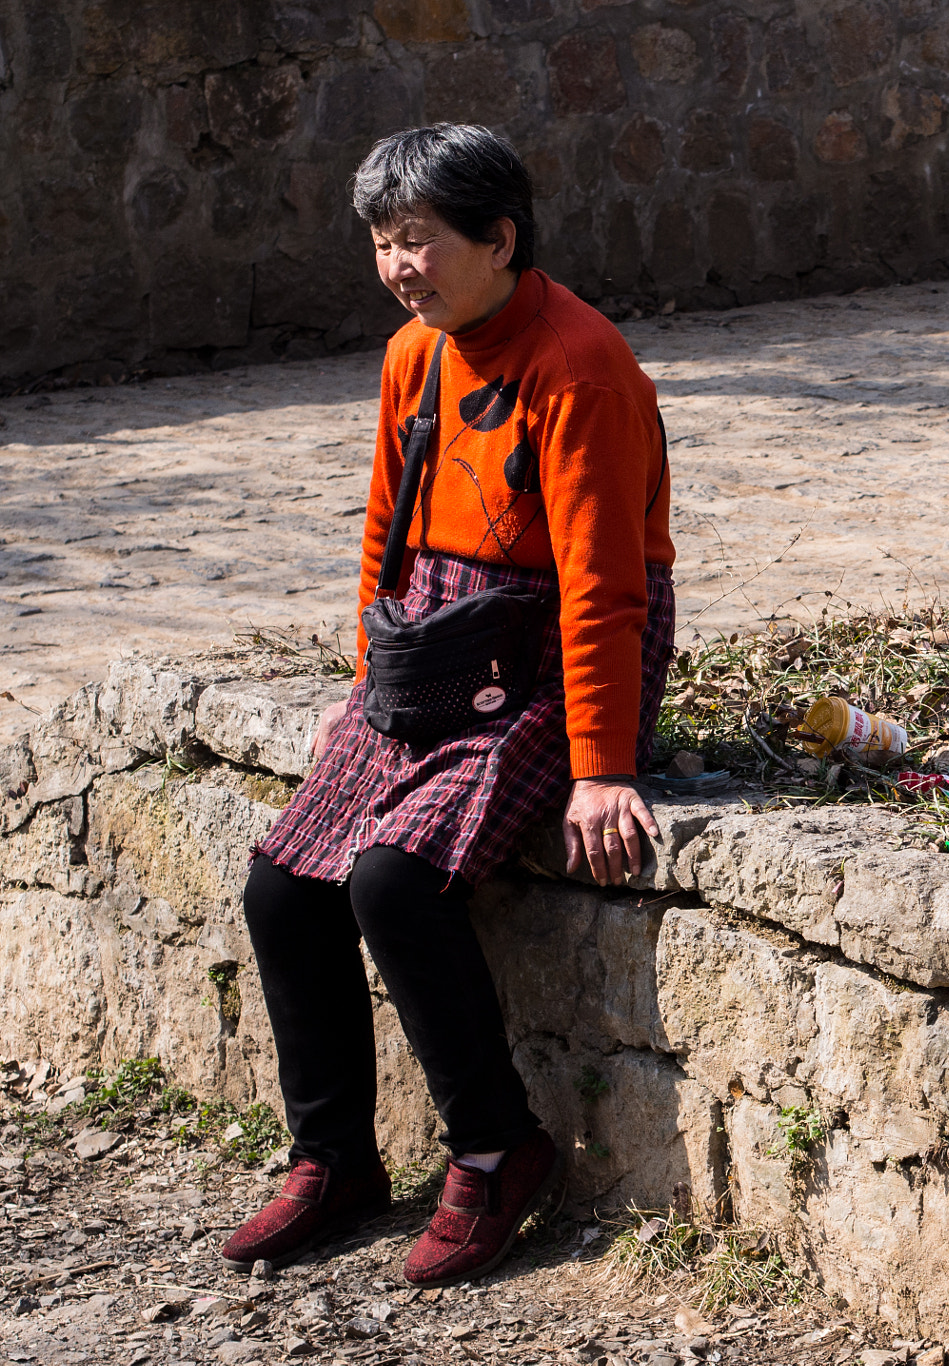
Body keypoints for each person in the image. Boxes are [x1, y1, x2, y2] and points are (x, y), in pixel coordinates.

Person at [222, 124, 675, 1286]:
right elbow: (386, 529)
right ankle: (334, 1157)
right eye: (382, 243)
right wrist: (364, 675)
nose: (398, 267)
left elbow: (604, 586)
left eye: (418, 241)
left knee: (393, 880)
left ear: (499, 239)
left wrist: (603, 764)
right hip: (426, 646)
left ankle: (495, 1146)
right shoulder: (412, 357)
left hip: (544, 654)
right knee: (284, 883)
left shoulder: (579, 366)